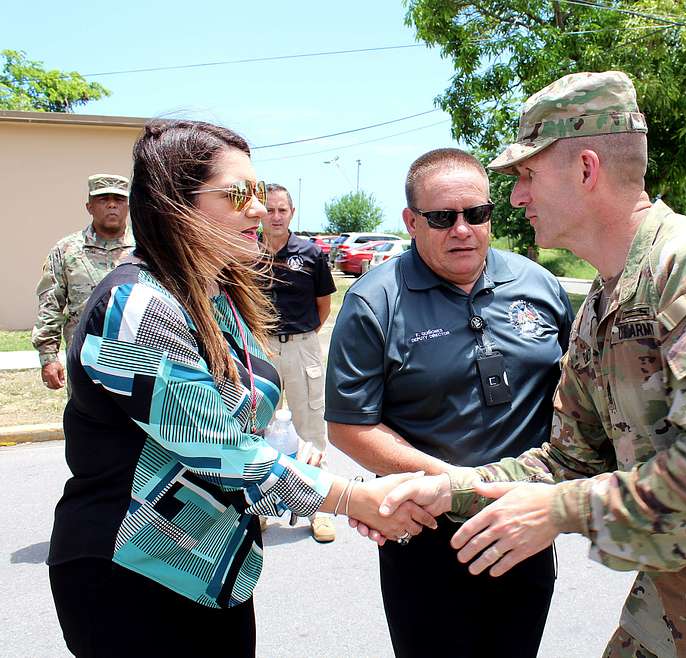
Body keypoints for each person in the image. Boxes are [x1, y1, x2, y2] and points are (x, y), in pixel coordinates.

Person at [381, 71, 686, 657]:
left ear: (586, 169)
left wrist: (558, 512)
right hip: (676, 609)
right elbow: (570, 459)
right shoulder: (608, 296)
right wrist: (451, 487)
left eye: (528, 175)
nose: (516, 197)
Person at [46, 119, 433, 658]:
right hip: (131, 573)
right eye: (239, 194)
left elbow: (253, 422)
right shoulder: (135, 306)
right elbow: (218, 449)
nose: (259, 208)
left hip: (207, 567)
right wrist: (352, 500)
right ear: (174, 202)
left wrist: (318, 469)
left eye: (259, 190)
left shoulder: (213, 294)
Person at [325, 147, 574, 658]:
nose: (462, 229)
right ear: (411, 222)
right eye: (442, 218)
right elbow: (349, 427)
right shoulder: (375, 301)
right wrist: (455, 486)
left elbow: (574, 395)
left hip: (520, 523)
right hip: (425, 532)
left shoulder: (540, 286)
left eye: (476, 214)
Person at [261, 183, 337, 542]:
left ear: (292, 213)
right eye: (269, 209)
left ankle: (317, 509)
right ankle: (261, 508)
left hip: (301, 347)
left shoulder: (309, 253)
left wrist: (300, 338)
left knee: (309, 426)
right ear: (260, 213)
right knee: (258, 427)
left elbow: (323, 304)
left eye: (282, 210)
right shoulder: (244, 252)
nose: (275, 217)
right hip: (258, 350)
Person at [32, 174, 135, 392]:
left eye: (118, 199)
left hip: (135, 358)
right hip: (85, 359)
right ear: (89, 207)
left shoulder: (146, 249)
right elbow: (50, 304)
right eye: (103, 199)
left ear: (128, 205)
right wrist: (48, 357)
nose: (111, 205)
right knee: (85, 423)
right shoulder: (66, 250)